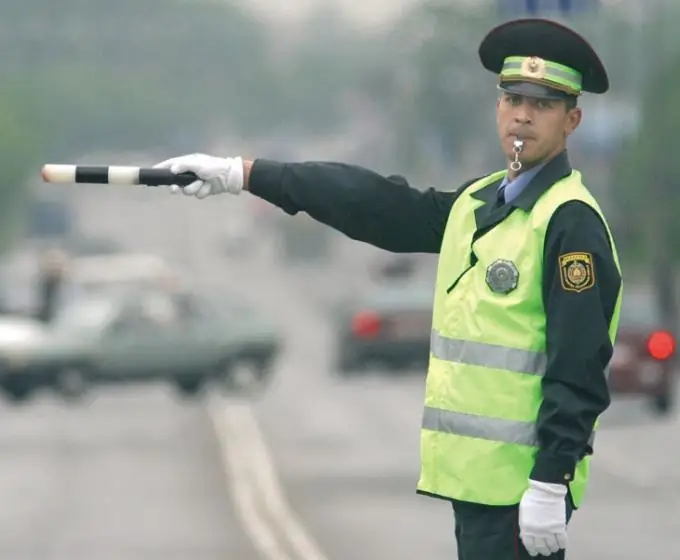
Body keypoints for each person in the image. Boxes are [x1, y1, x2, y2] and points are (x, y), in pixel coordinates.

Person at [153, 17, 622, 559]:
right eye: (513, 97)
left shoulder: (569, 222)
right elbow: (375, 205)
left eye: (542, 104)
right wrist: (245, 174)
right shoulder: (481, 203)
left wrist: (552, 478)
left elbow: (578, 366)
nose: (522, 114)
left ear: (572, 120)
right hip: (479, 489)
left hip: (522, 495)